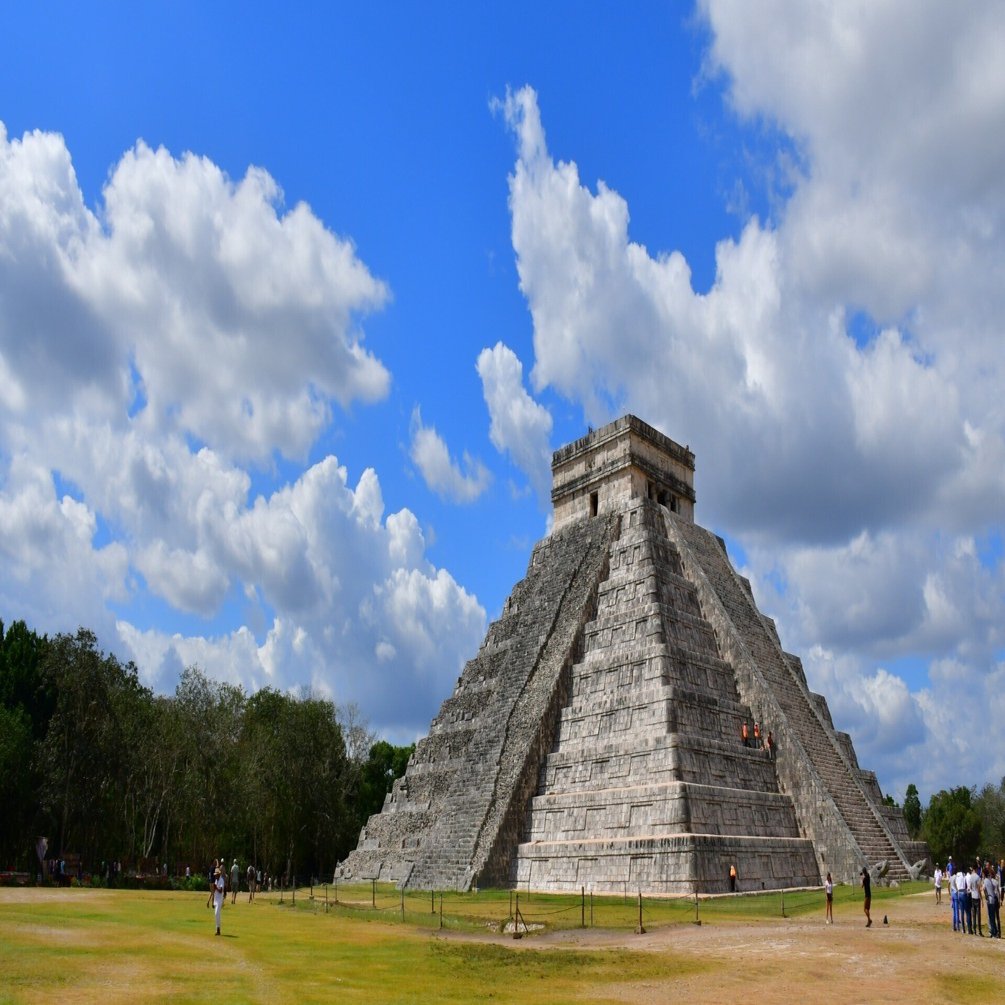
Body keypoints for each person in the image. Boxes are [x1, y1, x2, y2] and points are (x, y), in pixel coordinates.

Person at [985, 865, 1001, 939]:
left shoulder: (989, 881)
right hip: (995, 899)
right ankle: (997, 932)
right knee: (996, 917)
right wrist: (1000, 901)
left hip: (991, 900)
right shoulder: (995, 882)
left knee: (991, 917)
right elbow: (998, 893)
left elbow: (985, 889)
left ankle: (993, 931)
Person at [212, 865, 225, 936]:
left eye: (216, 875)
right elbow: (214, 891)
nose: (215, 876)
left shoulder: (221, 880)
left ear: (219, 874)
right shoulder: (216, 880)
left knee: (217, 913)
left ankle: (218, 929)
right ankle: (218, 929)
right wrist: (212, 901)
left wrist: (216, 887)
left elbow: (221, 890)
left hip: (220, 899)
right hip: (216, 899)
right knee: (216, 914)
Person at [970, 865, 983, 936]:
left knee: (974, 914)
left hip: (972, 896)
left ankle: (974, 930)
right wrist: (981, 898)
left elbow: (970, 887)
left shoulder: (971, 876)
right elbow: (979, 889)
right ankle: (979, 931)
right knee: (978, 915)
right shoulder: (978, 877)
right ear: (976, 869)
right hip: (977, 897)